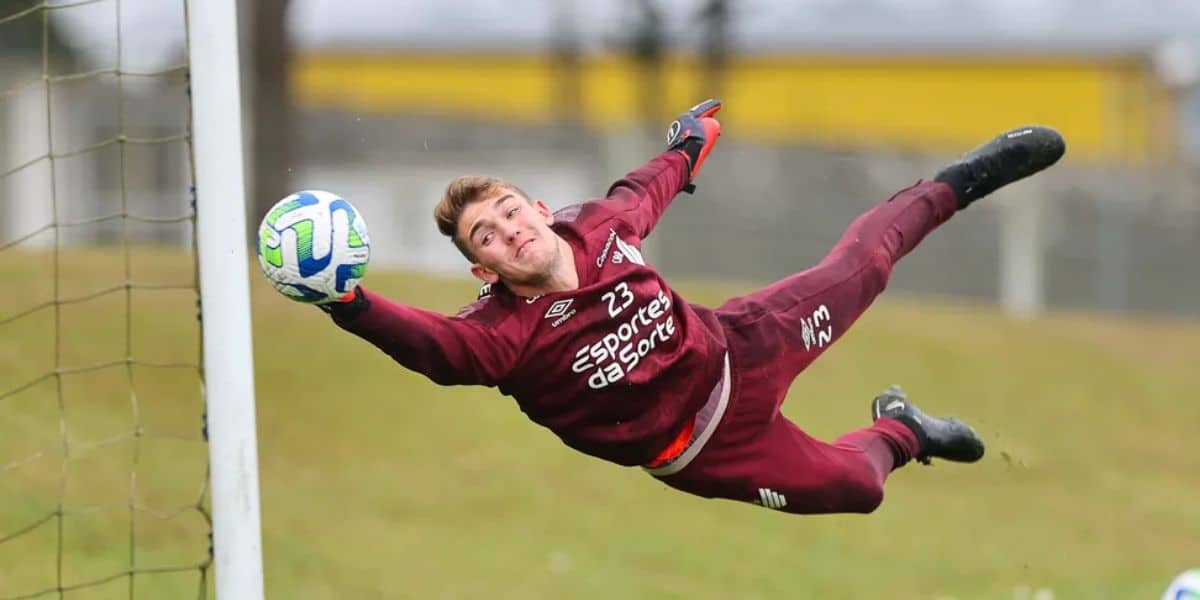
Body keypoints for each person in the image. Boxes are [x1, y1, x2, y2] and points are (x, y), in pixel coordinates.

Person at [320, 100, 1066, 514]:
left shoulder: (595, 227)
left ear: (540, 209)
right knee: (859, 487)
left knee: (864, 265)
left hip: (744, 349)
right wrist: (349, 301)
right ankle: (901, 429)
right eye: (489, 234)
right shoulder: (495, 336)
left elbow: (642, 191)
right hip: (707, 452)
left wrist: (686, 145)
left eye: (512, 210)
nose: (511, 230)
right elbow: (429, 347)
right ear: (483, 267)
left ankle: (965, 179)